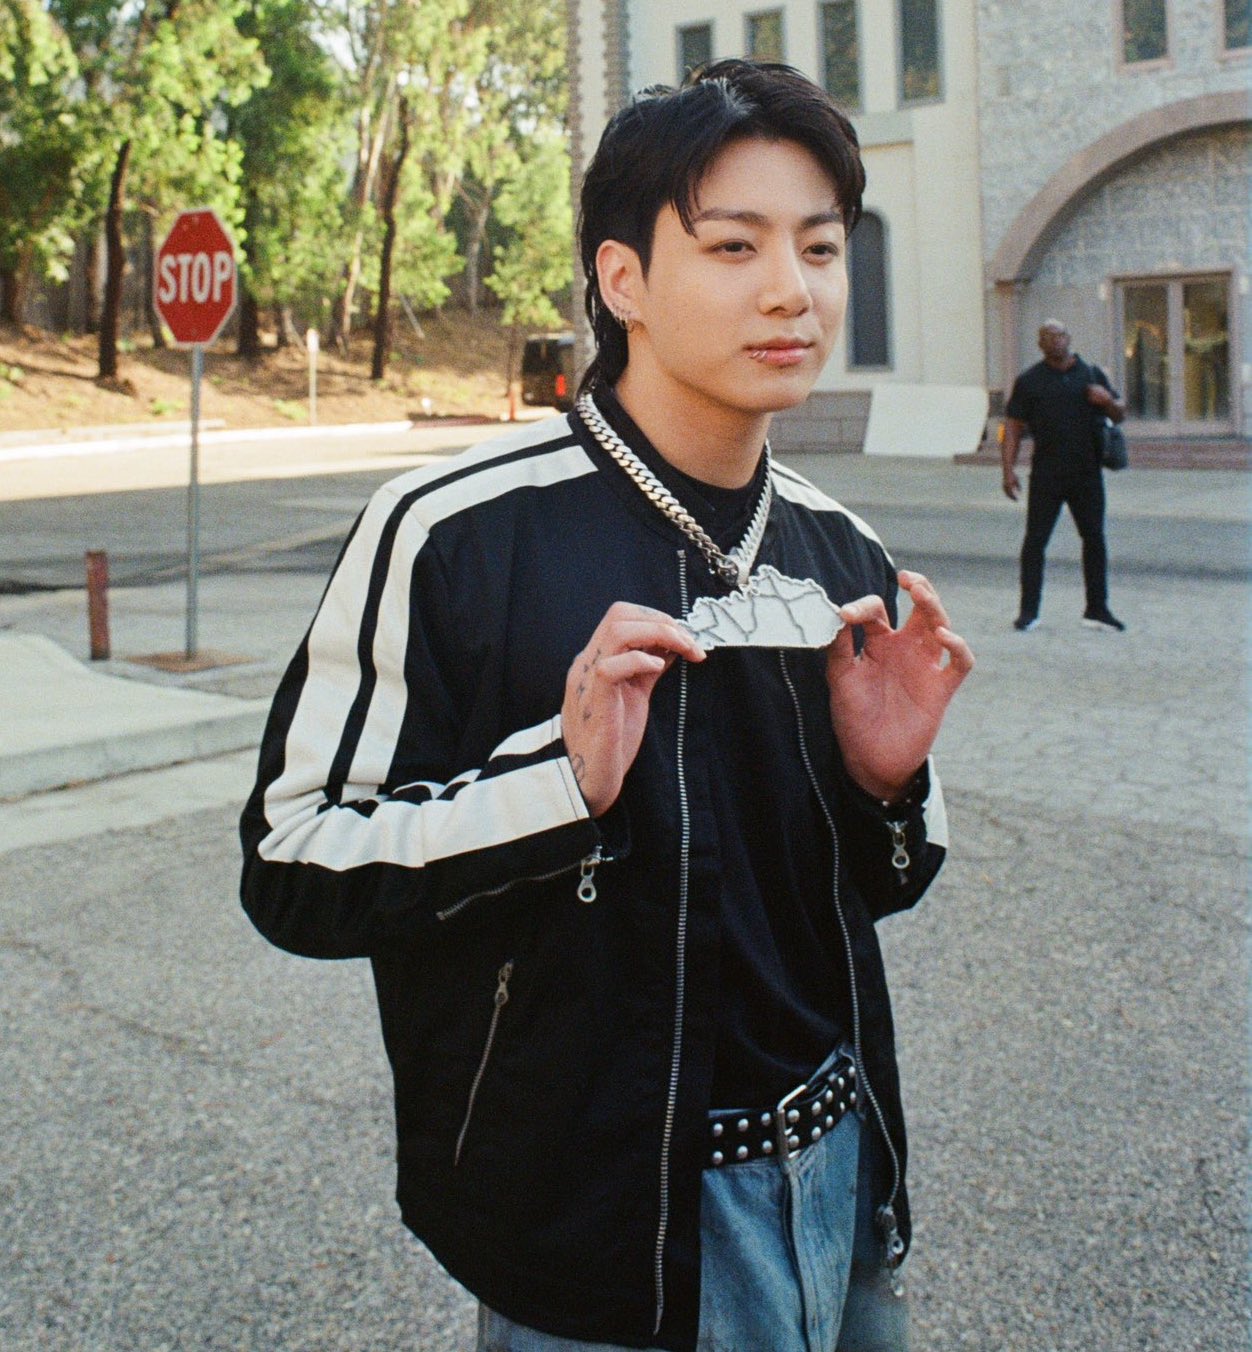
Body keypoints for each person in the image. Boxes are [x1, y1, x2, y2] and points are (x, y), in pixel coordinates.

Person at [240, 59, 972, 1352]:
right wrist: (556, 788)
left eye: (819, 248)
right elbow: (294, 863)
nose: (793, 290)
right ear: (622, 278)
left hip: (839, 1185)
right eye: (734, 246)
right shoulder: (453, 531)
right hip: (598, 1226)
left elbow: (881, 889)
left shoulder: (841, 553)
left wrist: (884, 788)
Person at [1001, 319, 1128, 632]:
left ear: (1069, 338)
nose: (1054, 341)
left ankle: (1097, 609)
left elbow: (1119, 414)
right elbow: (1013, 427)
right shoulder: (1029, 381)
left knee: (1094, 539)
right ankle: (1029, 611)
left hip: (1087, 473)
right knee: (1035, 542)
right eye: (1047, 337)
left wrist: (1107, 401)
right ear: (1040, 344)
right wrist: (1008, 470)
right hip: (1046, 474)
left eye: (1059, 335)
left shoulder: (1091, 374)